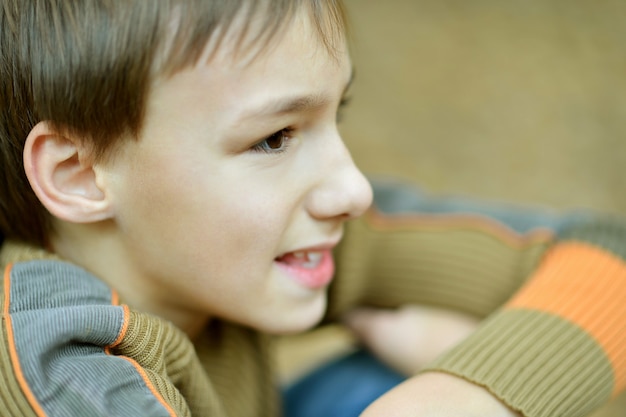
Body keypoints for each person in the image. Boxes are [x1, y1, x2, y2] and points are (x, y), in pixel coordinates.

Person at [0, 1, 624, 416]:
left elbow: (607, 258)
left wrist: (466, 390)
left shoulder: (289, 231)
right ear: (79, 176)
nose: (352, 190)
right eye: (274, 138)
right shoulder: (55, 362)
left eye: (335, 114)